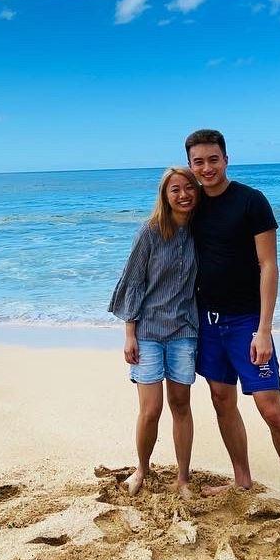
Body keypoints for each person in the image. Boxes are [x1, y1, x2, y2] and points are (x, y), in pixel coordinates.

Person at [183, 128, 280, 529]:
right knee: (222, 401)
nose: (206, 168)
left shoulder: (251, 201)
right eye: (198, 162)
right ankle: (241, 479)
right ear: (191, 165)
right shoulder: (191, 206)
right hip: (207, 321)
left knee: (270, 408)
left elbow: (269, 266)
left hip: (246, 323)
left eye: (213, 159)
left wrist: (264, 329)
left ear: (226, 159)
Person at [107, 166, 200, 499]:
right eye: (175, 189)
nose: (183, 194)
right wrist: (129, 334)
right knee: (151, 409)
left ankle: (184, 478)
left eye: (189, 188)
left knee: (181, 404)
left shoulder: (200, 231)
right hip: (147, 330)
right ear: (165, 195)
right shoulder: (148, 232)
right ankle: (142, 470)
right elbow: (133, 282)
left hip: (184, 330)